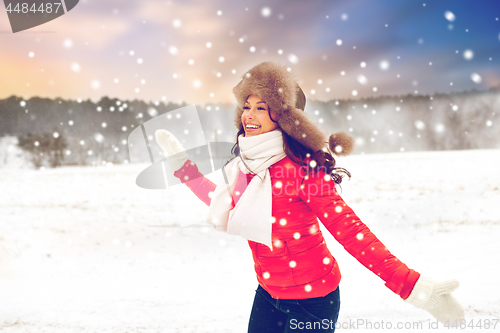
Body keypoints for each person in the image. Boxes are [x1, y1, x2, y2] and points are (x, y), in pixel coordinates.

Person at [155, 62, 464, 332]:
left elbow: (352, 232)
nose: (249, 115)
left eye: (261, 108)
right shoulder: (245, 167)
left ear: (282, 118)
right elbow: (222, 203)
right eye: (246, 106)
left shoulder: (302, 172)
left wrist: (413, 286)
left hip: (312, 301)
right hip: (268, 294)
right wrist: (185, 169)